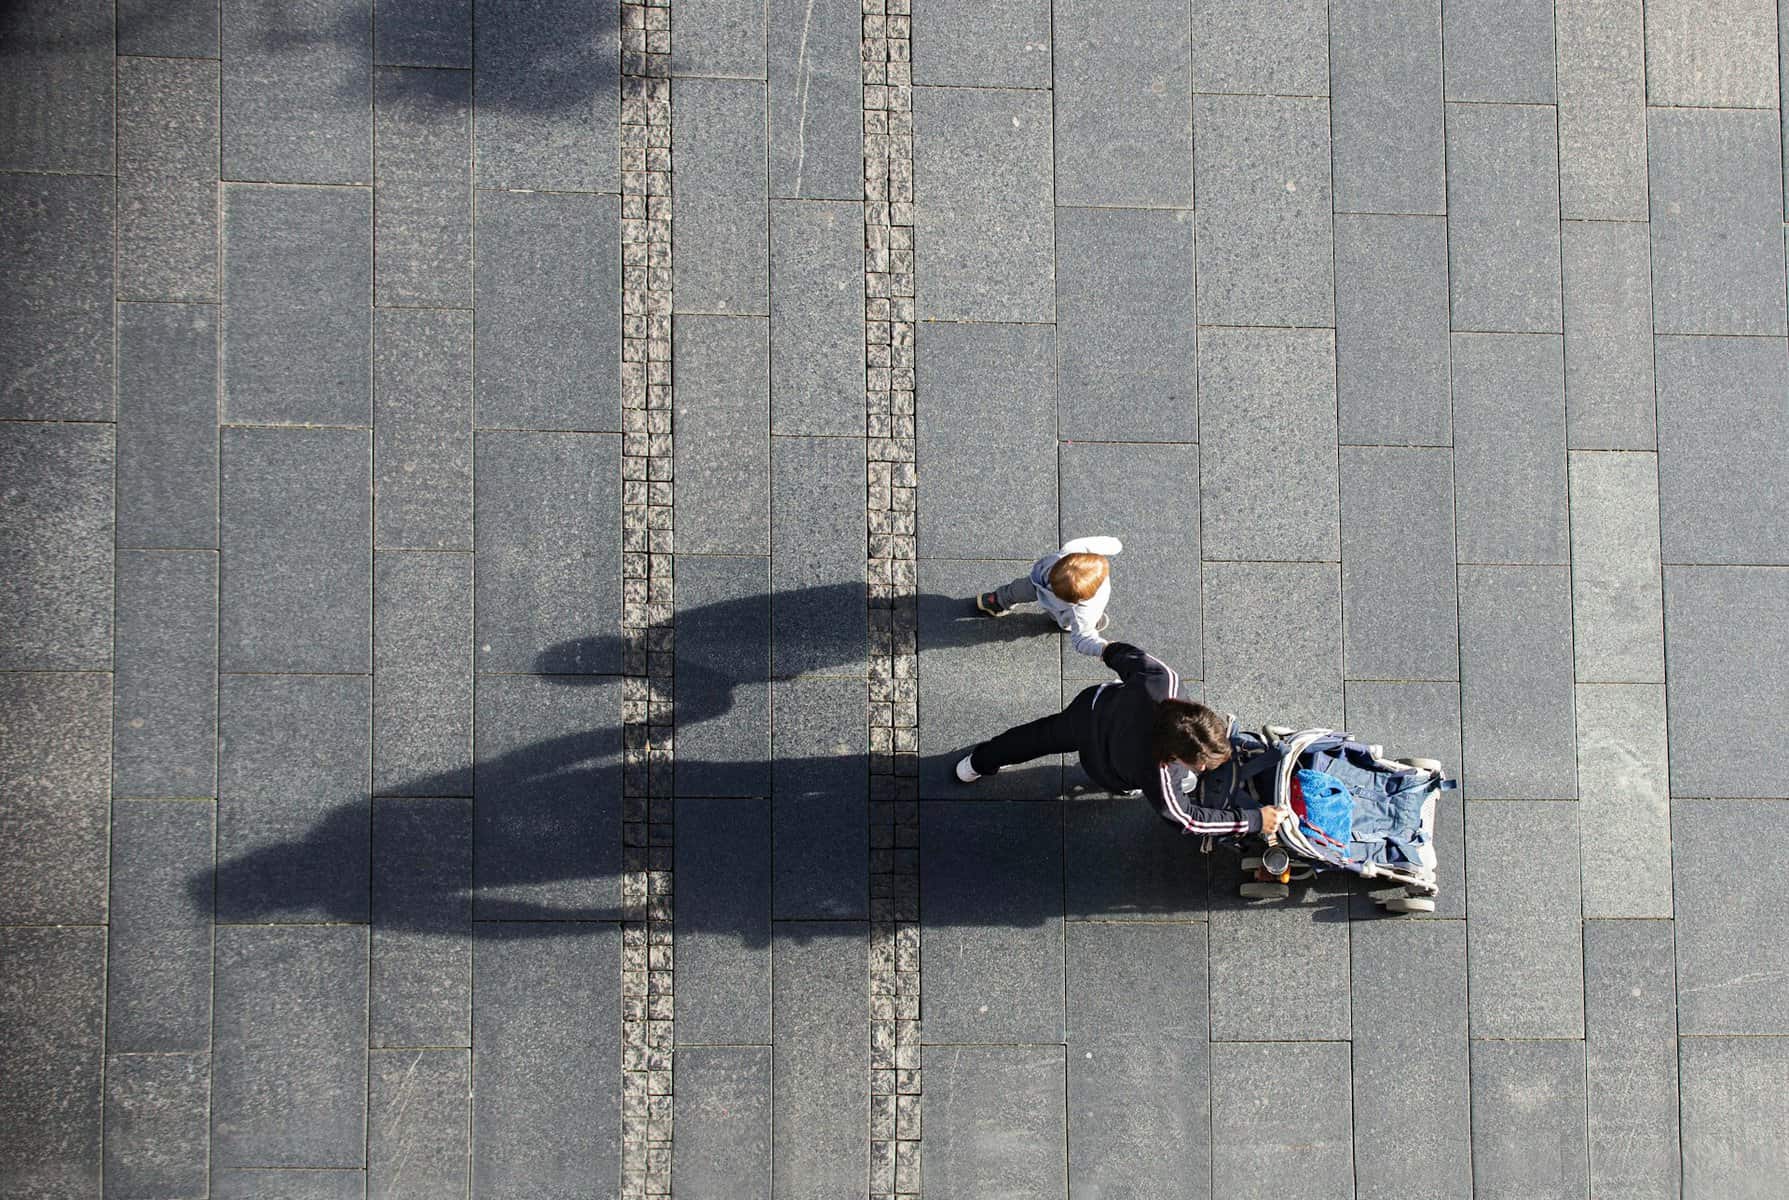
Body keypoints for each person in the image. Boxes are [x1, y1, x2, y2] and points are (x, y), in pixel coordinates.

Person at [956, 640, 1282, 841]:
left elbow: (1124, 655)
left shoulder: (1164, 681)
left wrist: (1100, 646)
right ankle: (1141, 787)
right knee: (1160, 786)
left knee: (1037, 736)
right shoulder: (1158, 774)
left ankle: (978, 762)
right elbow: (1189, 820)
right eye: (1203, 763)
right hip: (1105, 766)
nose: (1210, 765)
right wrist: (1254, 820)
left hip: (1090, 711)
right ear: (1177, 758)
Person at [975, 535, 1122, 658]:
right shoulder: (1074, 550)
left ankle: (999, 600)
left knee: (1019, 592)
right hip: (1046, 592)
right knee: (1021, 590)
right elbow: (1082, 639)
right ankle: (1002, 599)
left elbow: (1082, 639)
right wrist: (1115, 545)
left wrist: (1104, 649)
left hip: (1050, 596)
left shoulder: (1085, 607)